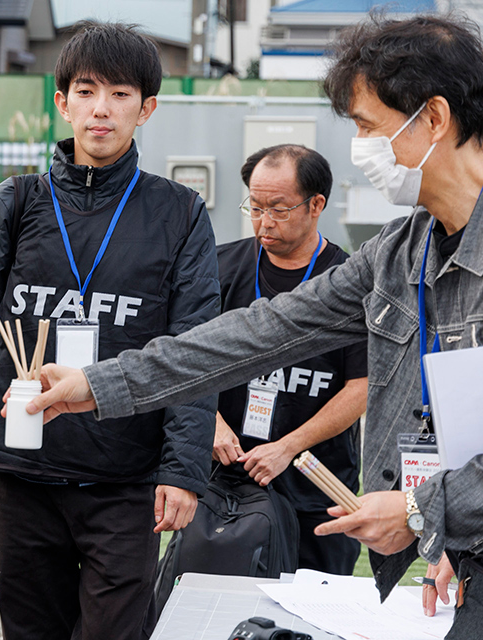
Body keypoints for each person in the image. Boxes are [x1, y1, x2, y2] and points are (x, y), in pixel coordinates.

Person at [20, 14, 483, 638]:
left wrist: (422, 511)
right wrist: (98, 384)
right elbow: (263, 332)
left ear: (432, 118)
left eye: (369, 128)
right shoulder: (401, 253)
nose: (361, 151)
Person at [0, 21, 220, 640]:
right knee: (30, 630)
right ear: (61, 102)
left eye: (122, 94)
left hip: (125, 479)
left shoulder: (179, 212)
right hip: (23, 477)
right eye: (87, 90)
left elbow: (194, 348)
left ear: (146, 108)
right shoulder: (14, 202)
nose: (102, 109)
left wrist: (182, 471)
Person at [213, 144, 367, 575]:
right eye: (256, 207)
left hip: (316, 486)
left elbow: (363, 386)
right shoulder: (221, 268)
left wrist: (289, 446)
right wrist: (211, 422)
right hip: (227, 485)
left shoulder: (349, 282)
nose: (264, 221)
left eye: (278, 209)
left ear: (316, 204)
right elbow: (183, 360)